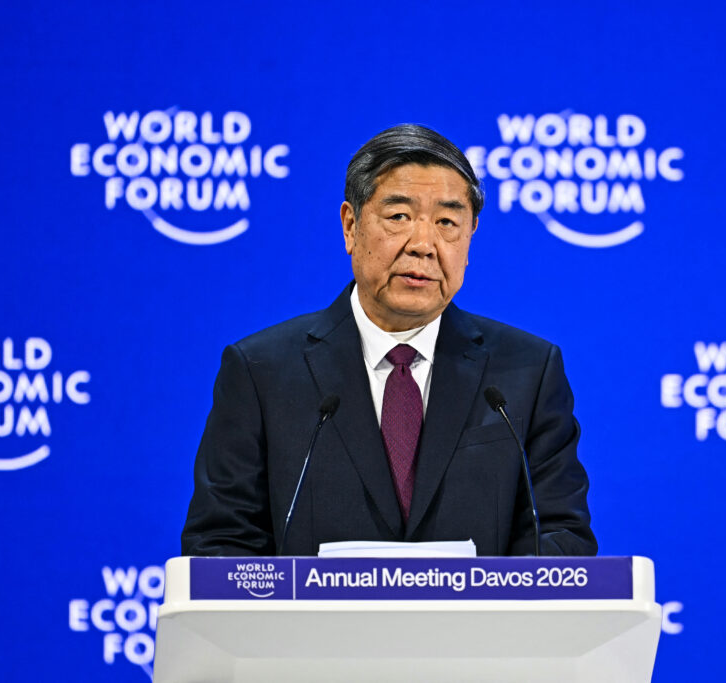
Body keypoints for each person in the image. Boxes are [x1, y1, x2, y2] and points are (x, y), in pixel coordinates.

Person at [182, 124, 597, 557]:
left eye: (447, 222)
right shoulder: (261, 372)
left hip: (475, 627)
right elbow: (221, 545)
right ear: (350, 226)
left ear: (470, 237)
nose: (423, 244)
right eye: (399, 217)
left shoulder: (526, 374)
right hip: (315, 626)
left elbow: (559, 540)